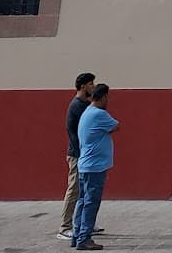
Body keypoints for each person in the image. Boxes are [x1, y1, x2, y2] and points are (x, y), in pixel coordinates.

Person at [72, 83, 118, 252]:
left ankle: (77, 235)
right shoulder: (99, 114)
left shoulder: (87, 112)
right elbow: (116, 126)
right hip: (94, 167)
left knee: (83, 201)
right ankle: (84, 238)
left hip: (86, 165)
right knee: (91, 203)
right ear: (104, 97)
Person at [58, 72, 96, 241]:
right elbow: (76, 133)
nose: (93, 87)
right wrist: (82, 154)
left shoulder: (83, 104)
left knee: (85, 190)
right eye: (91, 84)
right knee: (74, 190)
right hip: (77, 155)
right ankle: (65, 227)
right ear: (83, 86)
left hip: (82, 154)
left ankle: (85, 223)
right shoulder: (77, 106)